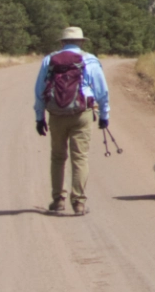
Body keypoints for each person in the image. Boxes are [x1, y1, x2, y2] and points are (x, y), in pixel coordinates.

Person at [34, 25, 110, 216]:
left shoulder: (49, 60)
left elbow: (39, 91)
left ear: (62, 42)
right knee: (80, 157)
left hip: (57, 114)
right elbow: (102, 91)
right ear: (81, 42)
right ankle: (78, 203)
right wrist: (104, 116)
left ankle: (58, 200)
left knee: (58, 157)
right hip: (81, 113)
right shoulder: (90, 60)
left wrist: (39, 117)